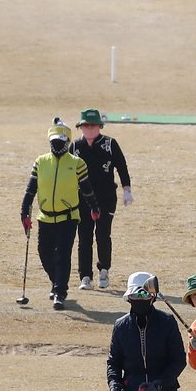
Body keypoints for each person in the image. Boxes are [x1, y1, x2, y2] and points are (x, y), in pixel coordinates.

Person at [19, 118, 95, 310]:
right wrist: (24, 211)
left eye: (60, 142)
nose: (57, 145)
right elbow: (30, 190)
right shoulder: (41, 162)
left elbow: (87, 189)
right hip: (45, 217)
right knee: (44, 252)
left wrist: (94, 207)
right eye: (53, 142)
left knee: (62, 254)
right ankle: (56, 282)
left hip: (68, 217)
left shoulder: (77, 163)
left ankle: (60, 292)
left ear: (67, 142)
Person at [71, 109, 132, 291]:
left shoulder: (110, 144)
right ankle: (85, 276)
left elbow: (121, 166)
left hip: (106, 197)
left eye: (93, 125)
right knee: (84, 237)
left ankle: (104, 270)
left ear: (99, 126)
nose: (89, 129)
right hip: (82, 199)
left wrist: (126, 189)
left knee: (103, 235)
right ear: (81, 127)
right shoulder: (75, 147)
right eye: (86, 125)